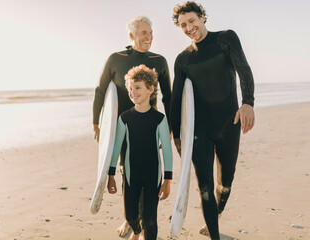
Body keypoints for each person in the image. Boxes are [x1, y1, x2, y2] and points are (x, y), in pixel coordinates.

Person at [170, 2, 255, 240]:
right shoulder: (183, 60)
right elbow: (176, 101)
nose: (189, 27)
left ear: (203, 17)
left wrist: (248, 102)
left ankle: (217, 212)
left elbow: (244, 69)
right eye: (183, 25)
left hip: (230, 124)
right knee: (204, 187)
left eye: (192, 21)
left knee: (225, 181)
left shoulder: (226, 39)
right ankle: (214, 235)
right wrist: (176, 135)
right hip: (199, 132)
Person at [92, 16, 172, 238]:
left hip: (148, 128)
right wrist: (97, 122)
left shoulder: (160, 60)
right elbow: (101, 91)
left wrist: (171, 128)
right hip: (122, 126)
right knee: (127, 173)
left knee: (146, 172)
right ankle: (131, 220)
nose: (149, 37)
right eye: (143, 33)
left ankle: (141, 224)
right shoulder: (116, 59)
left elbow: (169, 97)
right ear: (131, 36)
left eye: (150, 32)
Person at [107, 64, 173, 240]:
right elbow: (116, 147)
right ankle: (136, 231)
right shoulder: (125, 118)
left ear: (151, 89)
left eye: (137, 88)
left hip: (153, 176)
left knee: (150, 220)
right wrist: (111, 174)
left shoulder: (159, 119)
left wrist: (167, 180)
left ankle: (146, 234)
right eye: (130, 88)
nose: (132, 92)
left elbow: (167, 150)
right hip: (131, 176)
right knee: (130, 215)